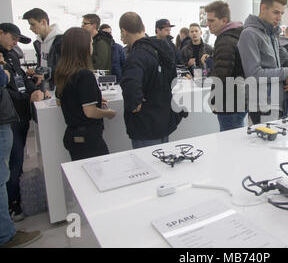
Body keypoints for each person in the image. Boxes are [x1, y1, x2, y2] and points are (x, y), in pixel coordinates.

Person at [0, 24, 41, 248]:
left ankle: (13, 204)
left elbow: (18, 82)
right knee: (9, 166)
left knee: (15, 162)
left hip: (18, 114)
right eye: (12, 38)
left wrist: (31, 85)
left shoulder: (11, 57)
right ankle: (11, 210)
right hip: (9, 116)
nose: (15, 42)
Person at [120, 12, 183, 149]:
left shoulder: (136, 56)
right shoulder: (161, 50)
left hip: (146, 124)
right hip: (163, 118)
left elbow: (130, 83)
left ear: (124, 32)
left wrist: (134, 102)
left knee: (149, 165)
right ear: (143, 27)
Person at [55, 28, 116, 161]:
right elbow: (90, 111)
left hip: (73, 135)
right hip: (88, 138)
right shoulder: (84, 74)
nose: (92, 46)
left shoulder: (63, 71)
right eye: (90, 43)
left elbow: (60, 100)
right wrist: (108, 113)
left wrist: (94, 98)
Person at [237, 0, 288, 124]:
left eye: (282, 13)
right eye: (276, 12)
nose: (279, 18)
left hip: (275, 101)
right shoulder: (249, 34)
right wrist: (285, 72)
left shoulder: (271, 33)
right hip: (261, 105)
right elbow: (254, 74)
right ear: (263, 8)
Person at [205, 0, 247, 131]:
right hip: (240, 98)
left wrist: (214, 100)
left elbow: (222, 75)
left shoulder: (225, 41)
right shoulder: (237, 35)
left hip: (230, 102)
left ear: (223, 20)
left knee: (230, 143)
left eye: (211, 21)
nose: (208, 24)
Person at [22, 8, 63, 91]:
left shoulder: (61, 40)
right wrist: (36, 72)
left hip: (59, 88)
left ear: (44, 22)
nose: (30, 28)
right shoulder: (37, 43)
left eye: (33, 24)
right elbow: (43, 65)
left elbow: (67, 67)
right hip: (43, 87)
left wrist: (47, 76)